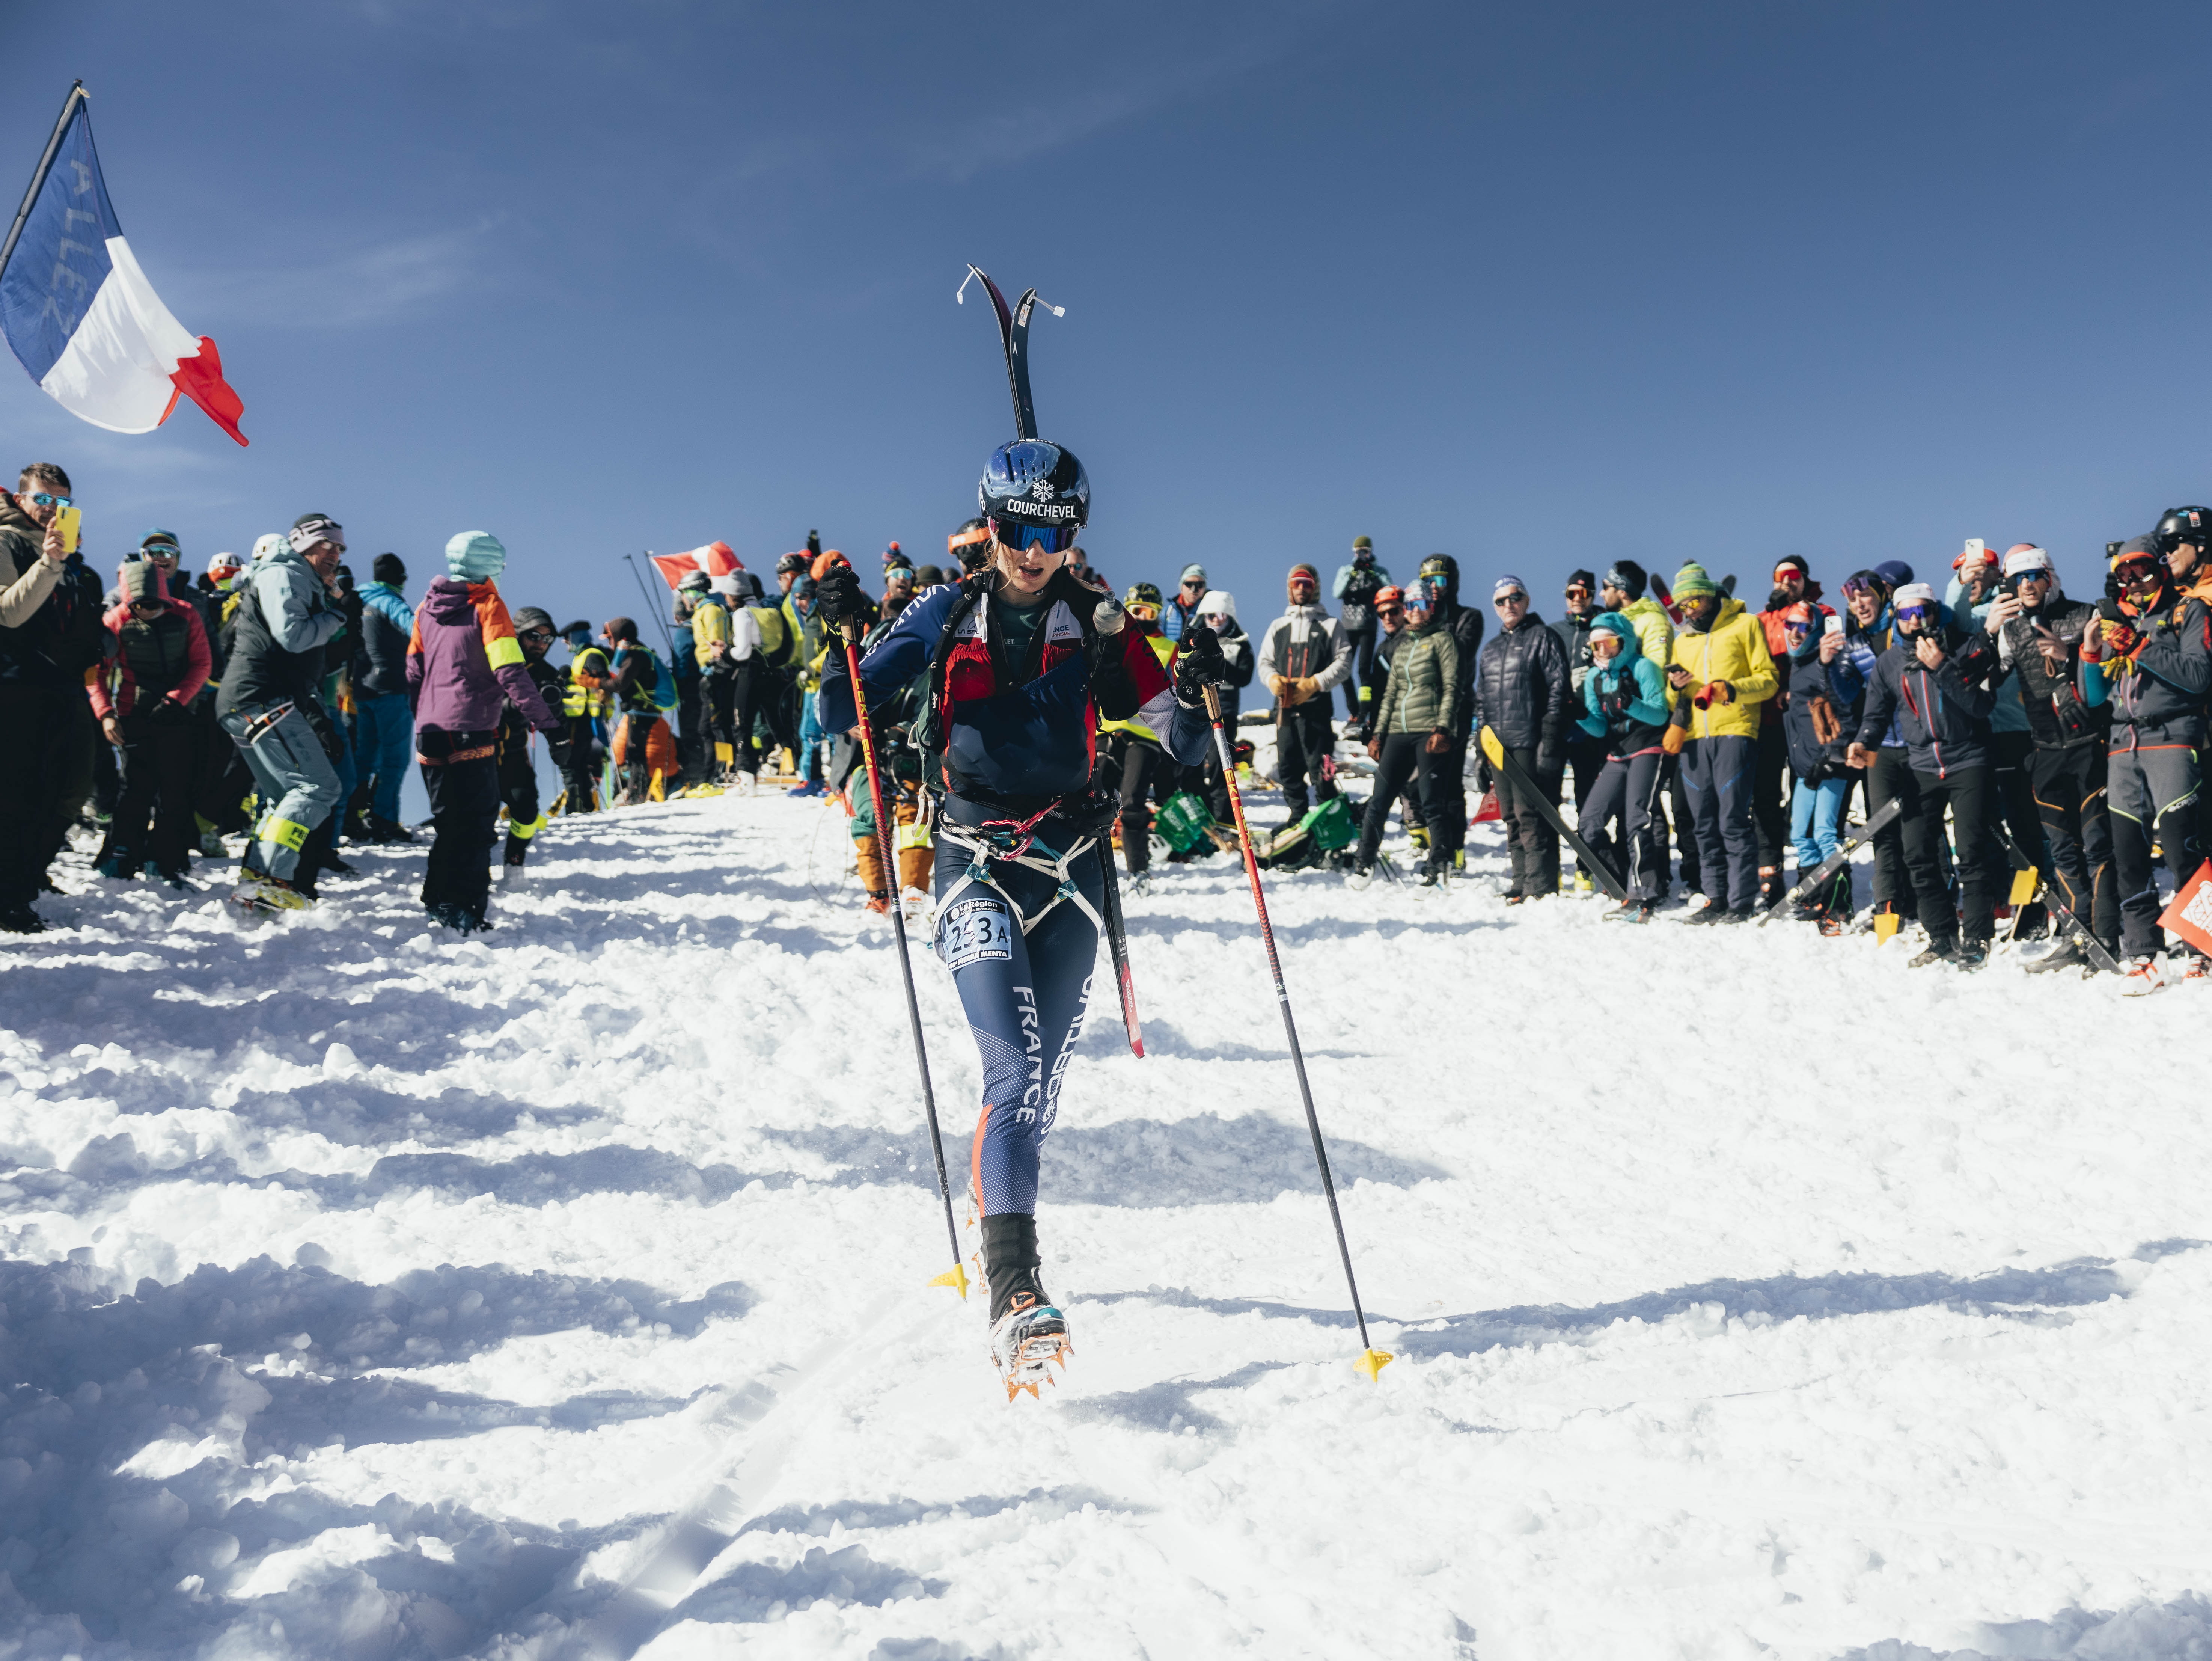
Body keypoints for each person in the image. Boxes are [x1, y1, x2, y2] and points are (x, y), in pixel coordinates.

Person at [815, 436, 1210, 1398]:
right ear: (990, 526)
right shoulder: (945, 612)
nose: (1035, 550)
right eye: (1018, 530)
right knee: (1011, 1070)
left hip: (1073, 874)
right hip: (975, 866)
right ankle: (1014, 1288)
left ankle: (997, 1205)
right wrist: (839, 635)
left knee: (1034, 1099)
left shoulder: (1100, 621)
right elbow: (839, 710)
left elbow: (1184, 740)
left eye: (1054, 532)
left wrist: (1199, 686)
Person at [407, 533, 560, 929]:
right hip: (471, 727)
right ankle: (466, 912)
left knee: (448, 820)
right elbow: (510, 671)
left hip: (430, 729)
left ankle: (438, 900)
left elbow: (413, 670)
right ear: (491, 566)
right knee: (476, 822)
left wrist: (424, 714)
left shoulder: (425, 607)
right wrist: (547, 723)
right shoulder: (488, 605)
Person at [2079, 536, 2212, 979]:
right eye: (2125, 574)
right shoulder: (2115, 620)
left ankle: (2202, 945)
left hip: (2172, 738)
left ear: (2161, 570)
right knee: (2128, 854)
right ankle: (2143, 949)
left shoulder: (2188, 611)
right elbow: (2094, 697)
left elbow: (2198, 677)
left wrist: (2139, 647)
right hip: (2123, 745)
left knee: (2181, 849)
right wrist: (2091, 651)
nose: (2134, 581)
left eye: (2143, 571)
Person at [1848, 581, 2000, 966]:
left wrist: (1942, 666)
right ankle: (1941, 936)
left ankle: (1977, 937)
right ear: (1896, 617)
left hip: (1967, 758)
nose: (1915, 621)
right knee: (1917, 852)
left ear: (1935, 612)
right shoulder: (1889, 662)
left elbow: (1981, 705)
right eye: (1906, 613)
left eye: (1923, 612)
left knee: (1972, 852)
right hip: (1921, 764)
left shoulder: (1965, 647)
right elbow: (1876, 714)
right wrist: (1863, 742)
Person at [1986, 545, 2117, 973]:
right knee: (2062, 850)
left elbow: (2112, 673)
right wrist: (1987, 633)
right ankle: (2077, 936)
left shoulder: (2085, 614)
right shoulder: (2010, 630)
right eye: (2017, 579)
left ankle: (2107, 935)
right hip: (2045, 752)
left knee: (2098, 846)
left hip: (2090, 746)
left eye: (2034, 576)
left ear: (2050, 577)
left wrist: (2070, 655)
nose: (2026, 585)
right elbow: (1984, 685)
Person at [215, 518, 350, 912]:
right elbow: (293, 636)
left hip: (257, 699)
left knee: (284, 797)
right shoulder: (283, 573)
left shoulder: (295, 576)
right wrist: (337, 615)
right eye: (329, 545)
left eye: (341, 548)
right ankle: (271, 880)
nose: (337, 554)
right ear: (305, 545)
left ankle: (257, 879)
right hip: (262, 697)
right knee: (318, 788)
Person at [0, 466, 101, 932]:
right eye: (43, 499)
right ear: (21, 499)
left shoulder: (69, 557)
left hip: (64, 688)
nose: (52, 510)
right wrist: (49, 563)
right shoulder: (8, 541)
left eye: (62, 502)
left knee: (70, 791)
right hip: (17, 684)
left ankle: (24, 878)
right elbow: (9, 613)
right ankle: (11, 897)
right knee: (20, 795)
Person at [1666, 562, 1779, 922]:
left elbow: (1769, 680)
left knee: (1732, 818)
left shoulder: (1745, 625)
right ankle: (1715, 897)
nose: (1689, 610)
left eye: (1694, 601)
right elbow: (1672, 699)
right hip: (1694, 737)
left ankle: (1741, 900)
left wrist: (1730, 689)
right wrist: (1676, 688)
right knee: (1702, 822)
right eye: (1683, 605)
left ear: (1710, 595)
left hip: (1735, 729)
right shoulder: (1682, 640)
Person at [90, 558, 211, 886]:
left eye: (155, 605)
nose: (149, 611)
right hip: (134, 713)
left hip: (178, 712)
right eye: (141, 606)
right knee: (135, 786)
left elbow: (202, 663)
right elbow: (97, 673)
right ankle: (122, 854)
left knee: (175, 788)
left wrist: (176, 699)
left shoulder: (186, 614)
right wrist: (106, 714)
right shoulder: (116, 620)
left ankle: (164, 857)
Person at [1947, 539, 2046, 918]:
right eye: (1965, 574)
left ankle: (2029, 903)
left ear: (1997, 576)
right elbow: (1956, 617)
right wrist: (1960, 583)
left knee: (2024, 822)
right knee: (1984, 824)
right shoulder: (1981, 615)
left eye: (1980, 572)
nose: (1973, 579)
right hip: (1978, 732)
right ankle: (1996, 897)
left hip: (2019, 729)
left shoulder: (2014, 608)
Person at [1355, 576, 1459, 884]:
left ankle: (1439, 863)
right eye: (1411, 605)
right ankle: (1364, 862)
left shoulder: (1443, 640)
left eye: (1422, 604)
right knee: (1379, 800)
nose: (1415, 610)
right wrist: (1378, 734)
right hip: (1398, 732)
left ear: (1431, 607)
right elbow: (1390, 695)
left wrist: (1443, 727)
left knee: (1431, 801)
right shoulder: (1402, 648)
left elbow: (1452, 686)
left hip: (1429, 730)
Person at [1473, 574, 1569, 900]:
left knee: (1532, 813)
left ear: (1526, 601)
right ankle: (1521, 881)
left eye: (1515, 598)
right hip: (1498, 746)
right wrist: (1481, 750)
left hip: (1531, 739)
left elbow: (1558, 687)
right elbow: (1482, 701)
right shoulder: (1491, 649)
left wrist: (1550, 739)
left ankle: (1541, 884)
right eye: (1501, 601)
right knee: (1511, 815)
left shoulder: (1544, 636)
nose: (1509, 605)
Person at [1574, 610, 1671, 920]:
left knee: (1637, 819)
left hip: (1648, 746)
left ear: (1625, 642)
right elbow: (1599, 728)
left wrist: (1633, 704)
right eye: (1597, 645)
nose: (1604, 650)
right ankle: (1620, 883)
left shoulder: (1643, 667)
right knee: (1589, 823)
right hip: (1617, 753)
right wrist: (1579, 715)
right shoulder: (1595, 678)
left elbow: (1660, 714)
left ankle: (1645, 893)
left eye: (1611, 643)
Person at [1835, 568, 1914, 929]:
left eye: (1865, 596)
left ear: (1883, 595)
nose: (1859, 604)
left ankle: (1929, 902)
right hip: (1878, 746)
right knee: (1882, 827)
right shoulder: (1854, 643)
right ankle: (1888, 911)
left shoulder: (1904, 627)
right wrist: (1828, 664)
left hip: (1919, 744)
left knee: (1922, 828)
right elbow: (1847, 694)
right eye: (1853, 600)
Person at [1777, 602, 1862, 928]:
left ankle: (1839, 904)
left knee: (1826, 833)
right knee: (1801, 834)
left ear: (1816, 632)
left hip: (1830, 764)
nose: (1795, 633)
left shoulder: (1828, 662)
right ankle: (1815, 897)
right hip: (1805, 767)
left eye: (1804, 627)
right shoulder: (1798, 664)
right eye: (1790, 625)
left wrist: (1833, 756)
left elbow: (1847, 708)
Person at [1600, 559, 1682, 896]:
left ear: (1622, 591)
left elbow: (1657, 669)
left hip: (1648, 723)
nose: (1602, 593)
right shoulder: (1616, 622)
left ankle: (1656, 876)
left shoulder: (1652, 620)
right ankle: (1636, 876)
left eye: (1606, 587)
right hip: (1622, 722)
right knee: (1632, 804)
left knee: (1646, 805)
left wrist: (1650, 710)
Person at [1256, 563, 1353, 825]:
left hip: (1317, 711)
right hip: (1285, 712)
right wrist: (1273, 680)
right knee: (1288, 770)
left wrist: (1315, 683)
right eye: (1296, 583)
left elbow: (1344, 662)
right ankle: (1298, 820)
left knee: (1322, 771)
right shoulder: (1278, 626)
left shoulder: (1330, 625)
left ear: (1316, 588)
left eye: (1307, 584)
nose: (1301, 588)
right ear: (1289, 588)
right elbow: (1264, 662)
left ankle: (1330, 822)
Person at [1099, 582, 1179, 883]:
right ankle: (1088, 864)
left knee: (1133, 801)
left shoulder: (1169, 648)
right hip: (1109, 731)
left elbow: (1174, 692)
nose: (1142, 617)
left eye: (1149, 612)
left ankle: (1138, 869)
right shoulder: (1113, 637)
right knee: (1094, 797)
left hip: (1145, 737)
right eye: (1136, 611)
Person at [1418, 553, 1485, 872]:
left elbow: (1458, 655)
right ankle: (1435, 846)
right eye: (1427, 581)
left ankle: (1455, 850)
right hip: (1423, 709)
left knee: (1450, 783)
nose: (1434, 587)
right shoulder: (1419, 618)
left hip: (1456, 708)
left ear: (1453, 582)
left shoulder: (1469, 617)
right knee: (1425, 784)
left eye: (1440, 580)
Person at [497, 606, 569, 872]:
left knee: (527, 811)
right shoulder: (497, 659)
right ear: (518, 634)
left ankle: (514, 863)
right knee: (478, 815)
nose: (541, 644)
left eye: (548, 639)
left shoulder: (547, 673)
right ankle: (472, 875)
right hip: (479, 749)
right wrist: (515, 705)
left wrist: (560, 739)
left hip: (514, 752)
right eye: (534, 636)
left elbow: (555, 718)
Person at [352, 553, 415, 842]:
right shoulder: (390, 601)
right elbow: (417, 631)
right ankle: (384, 819)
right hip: (391, 687)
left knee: (365, 756)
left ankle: (351, 815)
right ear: (399, 578)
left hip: (362, 688)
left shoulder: (358, 600)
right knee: (395, 758)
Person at [1553, 570, 1607, 890]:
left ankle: (1586, 867)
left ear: (1593, 595)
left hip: (1590, 724)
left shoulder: (1602, 627)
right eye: (1572, 593)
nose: (1577, 599)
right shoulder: (1555, 631)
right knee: (1548, 797)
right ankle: (1548, 868)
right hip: (1559, 724)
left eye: (1584, 594)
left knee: (1588, 799)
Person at [1190, 588, 1253, 829]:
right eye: (1211, 616)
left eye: (1221, 615)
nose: (1216, 620)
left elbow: (1244, 677)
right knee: (1192, 764)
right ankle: (1201, 819)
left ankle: (1224, 819)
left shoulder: (1240, 644)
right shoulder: (1191, 642)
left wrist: (1219, 661)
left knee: (1219, 764)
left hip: (1224, 709)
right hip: (1195, 707)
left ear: (1230, 617)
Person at [601, 618, 677, 804]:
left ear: (619, 637)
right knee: (636, 751)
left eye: (610, 638)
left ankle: (637, 795)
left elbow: (620, 684)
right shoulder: (642, 653)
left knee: (635, 752)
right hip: (648, 709)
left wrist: (597, 683)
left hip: (641, 710)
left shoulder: (634, 656)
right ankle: (640, 792)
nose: (609, 643)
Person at [1333, 536, 1390, 726]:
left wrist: (1373, 575)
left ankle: (1365, 711)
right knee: (1344, 669)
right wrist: (1352, 574)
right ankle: (1354, 710)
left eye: (1365, 551)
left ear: (1371, 552)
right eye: (1359, 552)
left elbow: (1389, 591)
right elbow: (1337, 593)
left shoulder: (1379, 572)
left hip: (1368, 626)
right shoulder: (1346, 571)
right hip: (1348, 627)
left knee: (1364, 670)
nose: (1362, 555)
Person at [558, 622, 611, 812]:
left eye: (567, 638)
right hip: (582, 718)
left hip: (589, 720)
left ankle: (581, 806)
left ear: (576, 637)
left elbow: (602, 683)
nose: (565, 642)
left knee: (576, 763)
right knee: (579, 764)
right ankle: (586, 806)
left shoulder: (591, 655)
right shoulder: (582, 657)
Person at [1162, 564, 1207, 642]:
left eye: (1200, 585)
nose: (1194, 590)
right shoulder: (1167, 612)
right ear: (1181, 586)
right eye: (1189, 584)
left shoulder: (1209, 613)